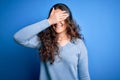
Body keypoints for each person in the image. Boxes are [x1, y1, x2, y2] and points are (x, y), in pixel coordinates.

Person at [14, 3, 90, 80]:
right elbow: (18, 37)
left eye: (61, 17)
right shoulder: (43, 41)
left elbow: (84, 76)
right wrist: (49, 21)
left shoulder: (78, 44)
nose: (57, 21)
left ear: (68, 20)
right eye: (55, 18)